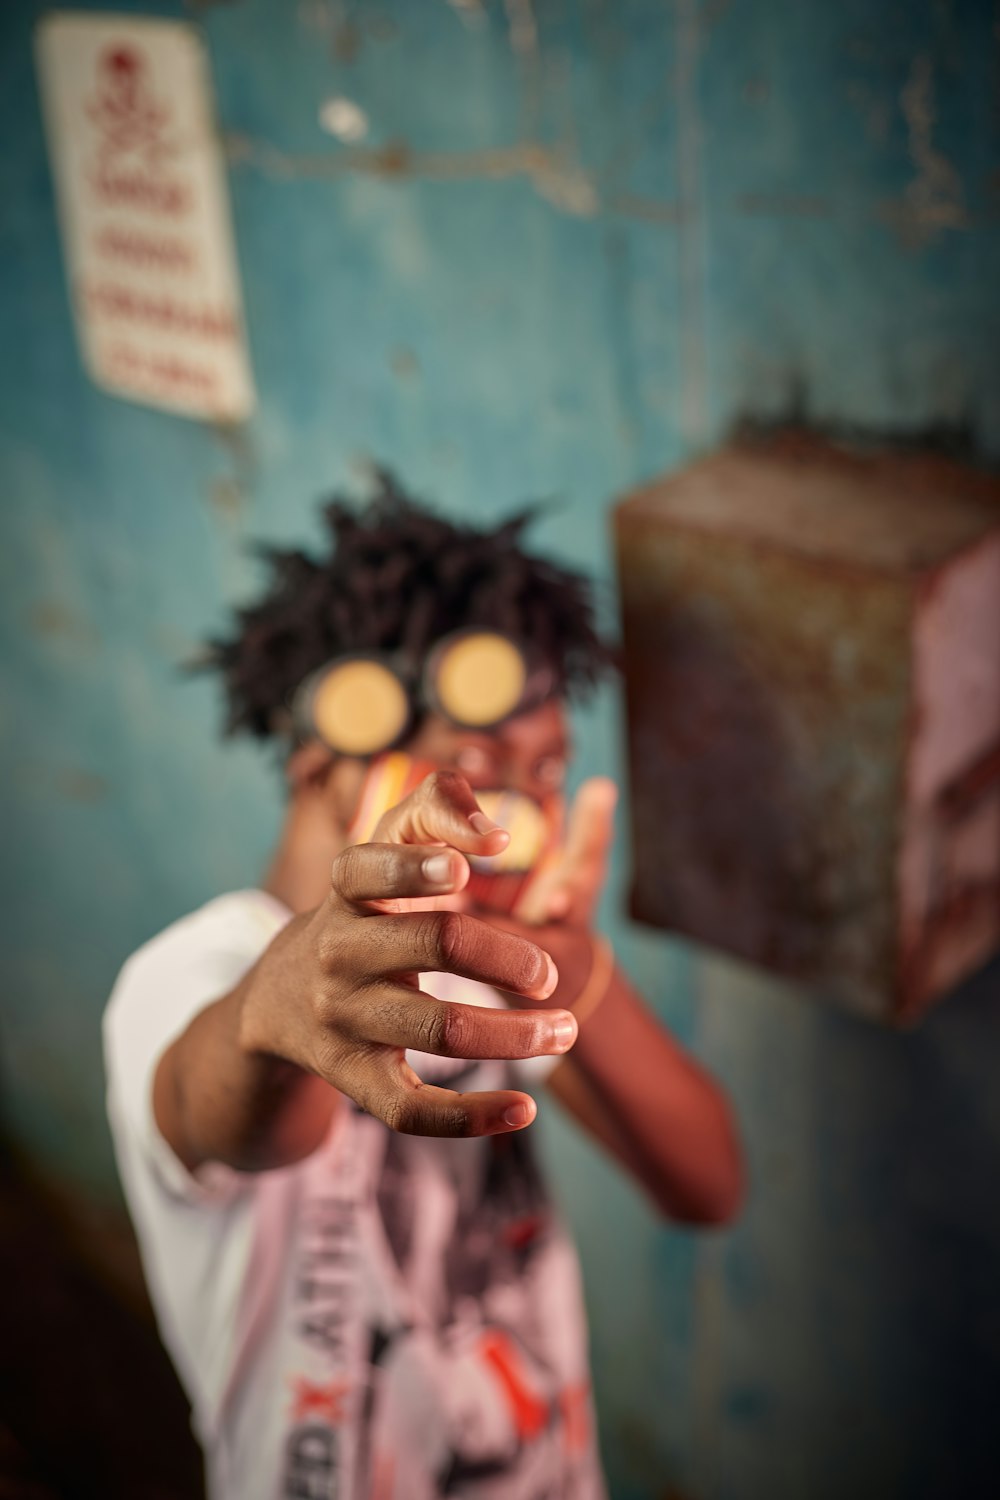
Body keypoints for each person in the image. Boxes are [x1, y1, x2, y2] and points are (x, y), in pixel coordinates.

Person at [104, 475, 742, 1500]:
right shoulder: (189, 975)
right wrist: (280, 1012)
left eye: (548, 771)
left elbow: (706, 1184)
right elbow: (223, 1101)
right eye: (478, 767)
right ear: (326, 762)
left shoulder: (484, 964)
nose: (523, 813)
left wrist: (576, 976)